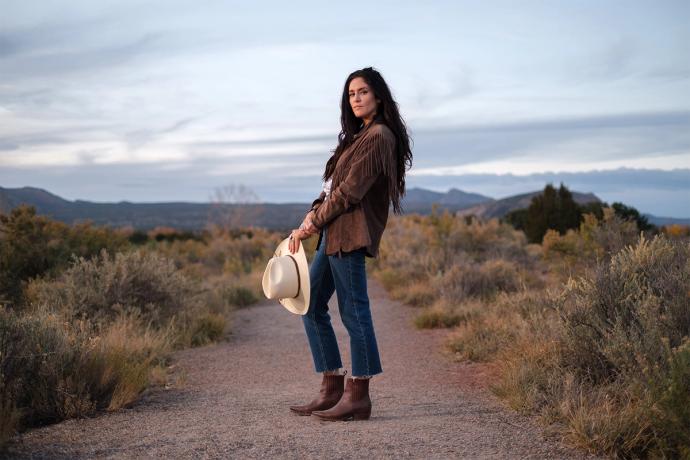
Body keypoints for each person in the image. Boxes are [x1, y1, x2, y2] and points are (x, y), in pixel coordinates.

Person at [287, 66, 412, 421]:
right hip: (332, 233)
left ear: (378, 96)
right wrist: (311, 216)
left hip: (350, 235)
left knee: (354, 312)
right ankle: (331, 388)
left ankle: (359, 394)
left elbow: (349, 193)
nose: (356, 99)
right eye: (351, 94)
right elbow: (330, 189)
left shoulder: (379, 137)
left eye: (363, 92)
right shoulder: (358, 137)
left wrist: (314, 221)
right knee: (309, 306)